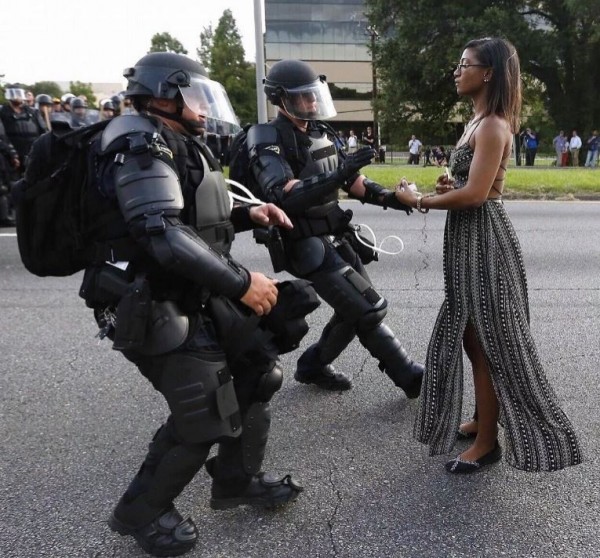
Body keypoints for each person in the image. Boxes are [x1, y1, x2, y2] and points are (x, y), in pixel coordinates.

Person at [76, 52, 305, 556]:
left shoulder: (169, 139)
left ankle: (234, 479)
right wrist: (243, 283)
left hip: (191, 290)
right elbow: (162, 234)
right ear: (162, 95)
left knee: (256, 373)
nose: (203, 107)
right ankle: (140, 512)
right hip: (150, 300)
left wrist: (249, 213)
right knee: (204, 412)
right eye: (194, 95)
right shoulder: (137, 142)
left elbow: (192, 214)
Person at [395, 37, 582, 474]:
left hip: (485, 241)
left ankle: (487, 442)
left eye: (465, 64)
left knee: (489, 340)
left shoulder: (494, 124)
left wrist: (418, 199)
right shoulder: (475, 121)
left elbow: (478, 195)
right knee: (470, 334)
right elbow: (468, 185)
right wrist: (448, 186)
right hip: (467, 239)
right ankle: (483, 417)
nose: (457, 71)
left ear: (489, 73)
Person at [245, 58, 424, 396]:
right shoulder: (267, 136)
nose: (312, 102)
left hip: (335, 235)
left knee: (354, 309)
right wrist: (339, 175)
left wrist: (392, 199)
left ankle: (312, 365)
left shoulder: (320, 132)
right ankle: (409, 375)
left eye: (314, 95)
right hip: (303, 242)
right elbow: (282, 194)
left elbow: (354, 181)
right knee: (368, 308)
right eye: (304, 97)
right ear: (281, 98)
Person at [0, 87, 46, 177]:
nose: (17, 97)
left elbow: (43, 132)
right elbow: (1, 135)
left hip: (32, 152)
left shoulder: (33, 112)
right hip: (12, 154)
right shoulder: (3, 112)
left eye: (18, 93)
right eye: (14, 94)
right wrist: (11, 153)